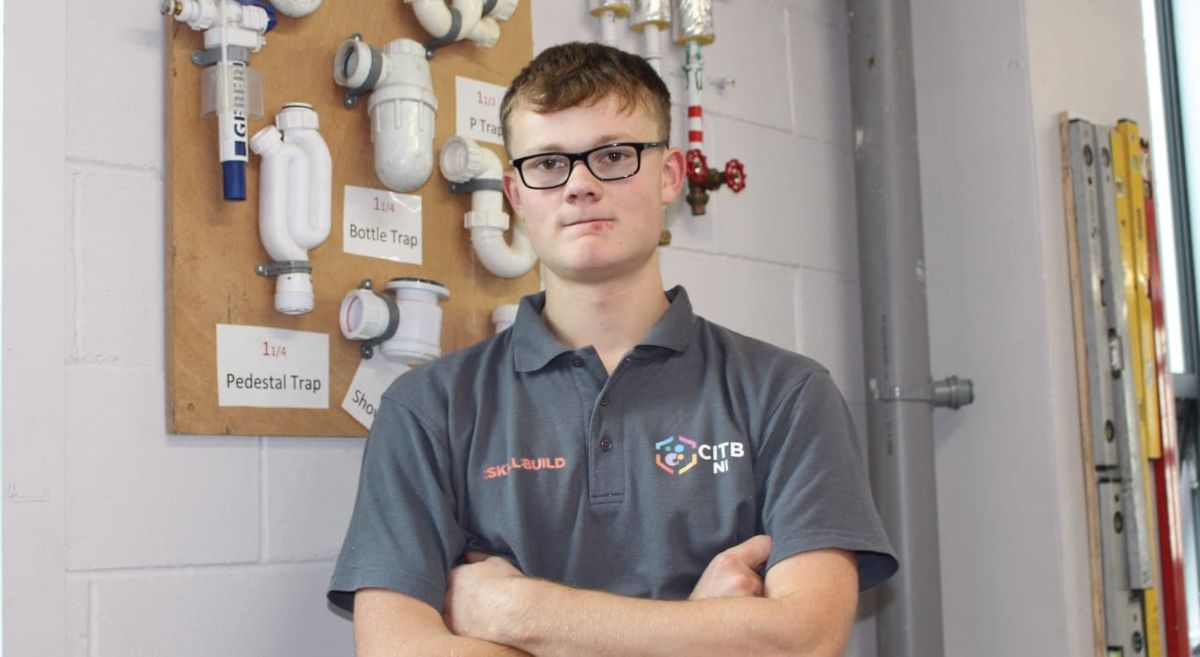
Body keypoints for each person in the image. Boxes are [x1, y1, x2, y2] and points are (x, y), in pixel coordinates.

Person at [328, 41, 898, 656]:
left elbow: (804, 642)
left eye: (613, 155)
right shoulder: (425, 410)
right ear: (516, 195)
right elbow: (395, 649)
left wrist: (528, 614)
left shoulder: (786, 395)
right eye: (547, 163)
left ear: (670, 176)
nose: (579, 185)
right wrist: (702, 636)